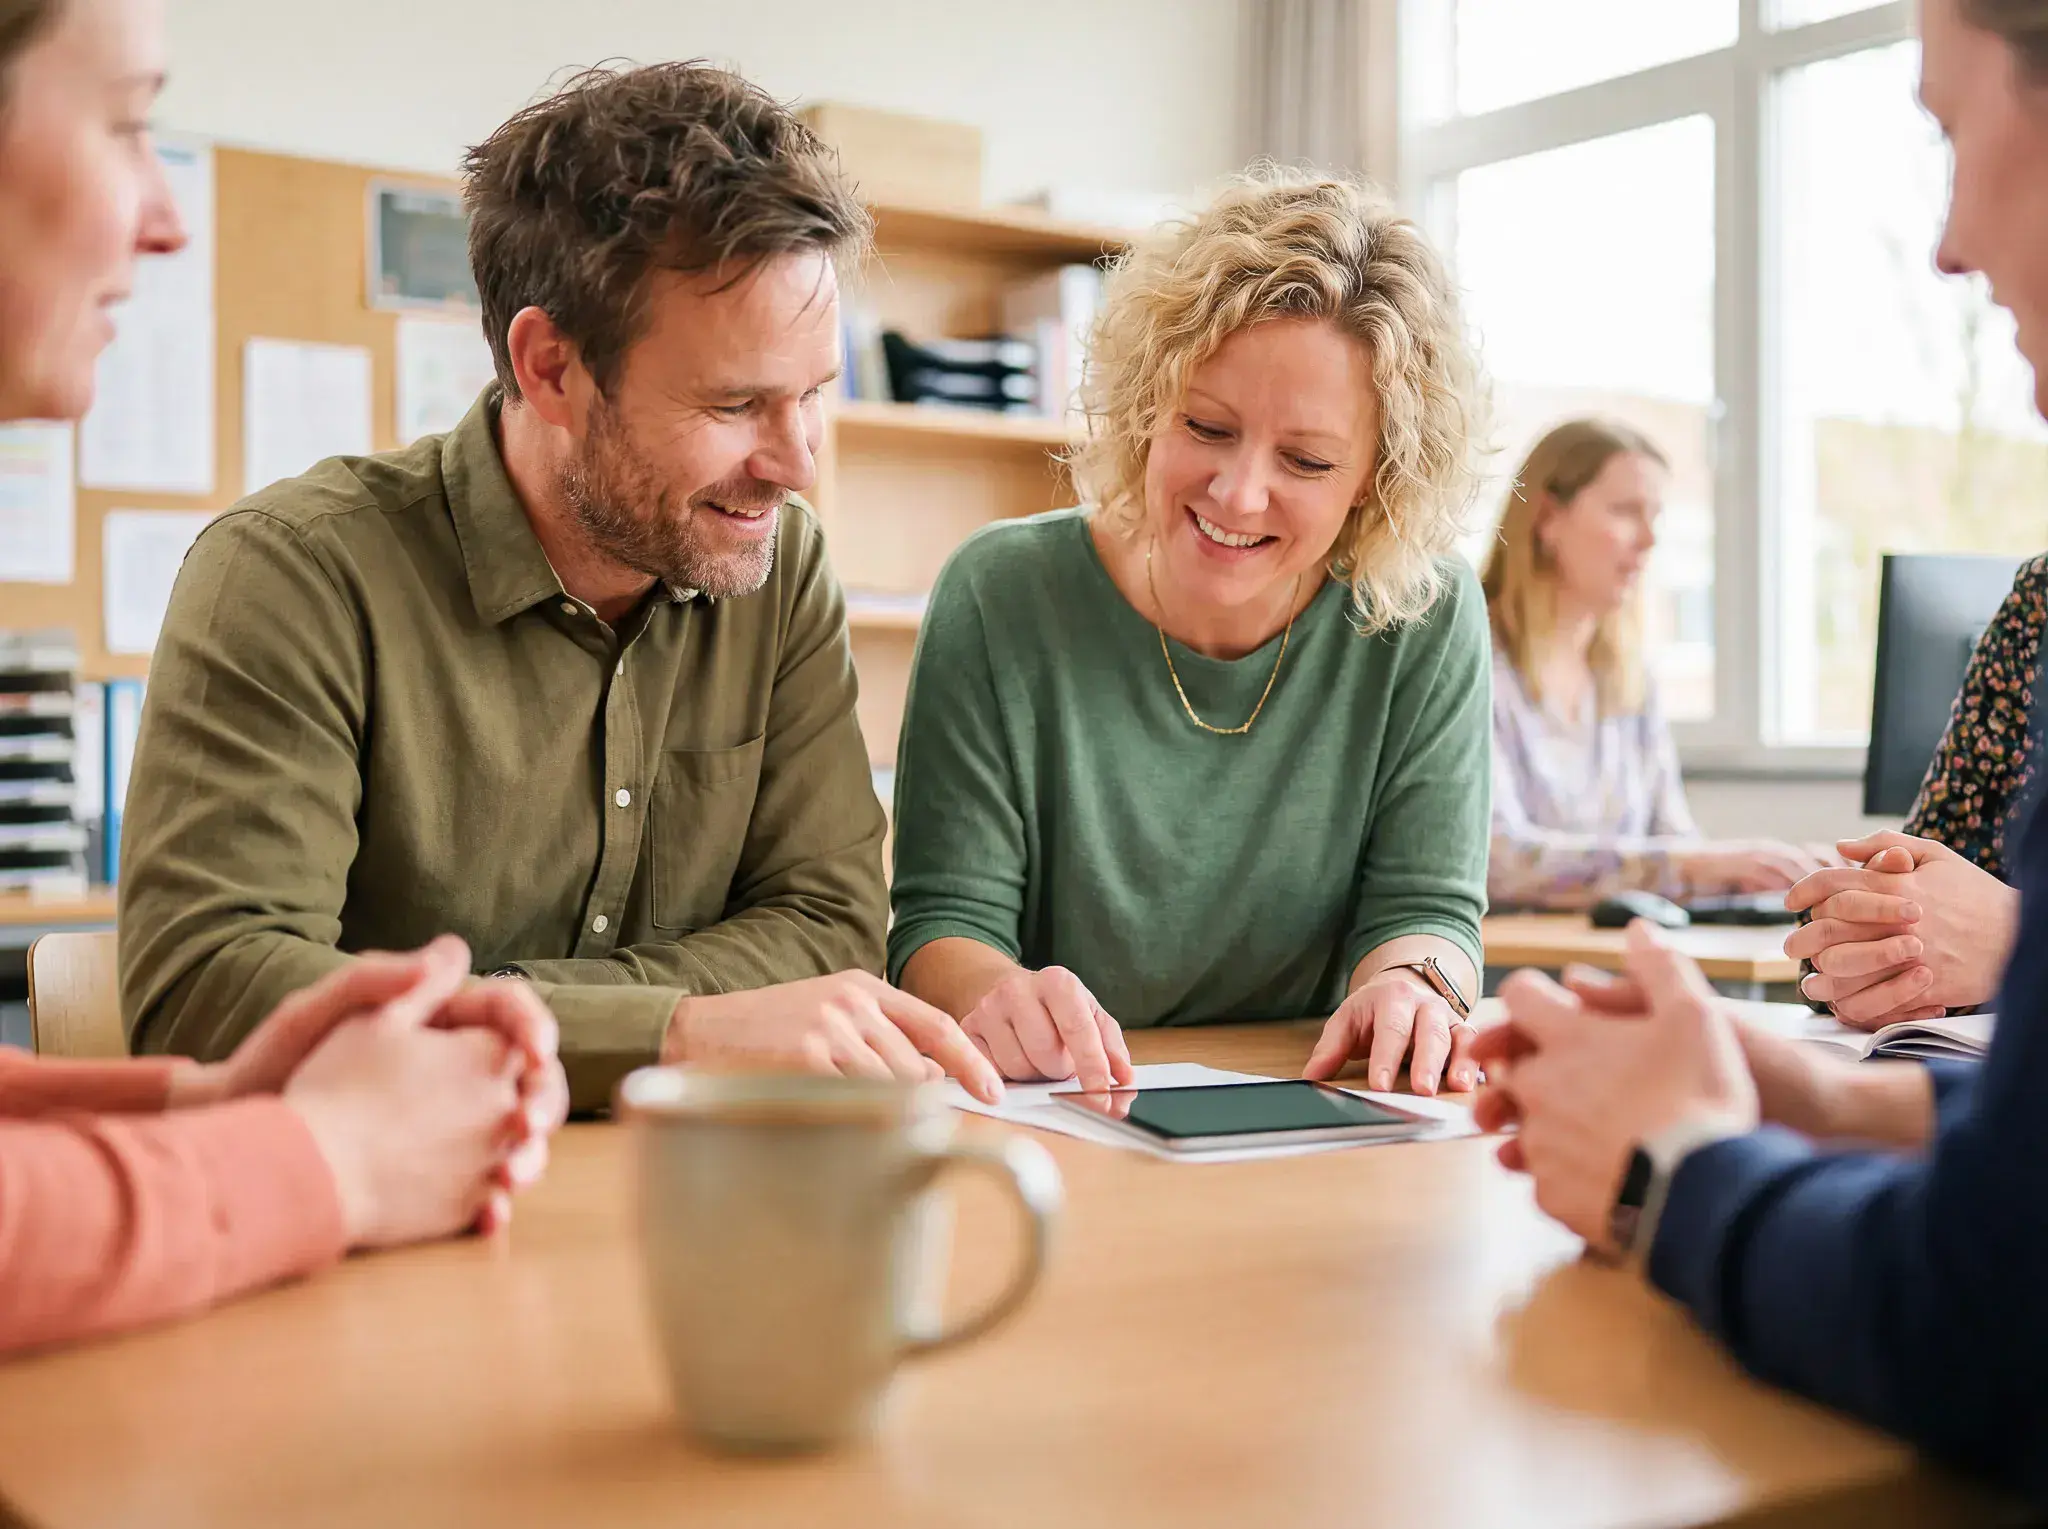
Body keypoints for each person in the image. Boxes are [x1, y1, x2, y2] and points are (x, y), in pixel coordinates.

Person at [113, 61, 1003, 1113]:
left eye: (812, 394)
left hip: (690, 1192)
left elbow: (827, 923)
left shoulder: (779, 565)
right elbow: (214, 987)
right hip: (380, 1213)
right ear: (549, 369)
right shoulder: (293, 573)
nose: (797, 460)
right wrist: (668, 1028)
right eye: (735, 404)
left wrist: (522, 1016)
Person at [1473, 0, 2048, 1496]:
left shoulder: (1627, 668)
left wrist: (1675, 1174)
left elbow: (1990, 1323)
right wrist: (1834, 1098)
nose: (1943, 246)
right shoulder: (1456, 649)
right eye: (1626, 515)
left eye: (1947, 131)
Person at [1, 0, 565, 1358]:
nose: (167, 217)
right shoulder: (295, 564)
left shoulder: (781, 586)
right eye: (129, 123)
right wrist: (325, 1157)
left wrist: (214, 1104)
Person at [890, 169, 1492, 1099]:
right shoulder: (1002, 593)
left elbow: (1426, 908)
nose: (1239, 493)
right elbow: (941, 922)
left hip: (1311, 1110)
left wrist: (1413, 987)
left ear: (1376, 476)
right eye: (1206, 426)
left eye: (1307, 459)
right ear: (1147, 404)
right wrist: (997, 992)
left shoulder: (1426, 613)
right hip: (1066, 1108)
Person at [1483, 420, 1831, 909]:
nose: (1649, 539)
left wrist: (1772, 874)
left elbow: (1675, 837)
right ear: (1546, 517)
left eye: (1655, 516)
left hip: (1621, 955)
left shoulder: (1627, 677)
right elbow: (1499, 862)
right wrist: (1704, 865)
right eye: (1626, 512)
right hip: (1508, 968)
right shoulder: (1472, 661)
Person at [1784, 554, 2046, 1026]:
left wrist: (2019, 938)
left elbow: (1988, 933)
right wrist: (1871, 958)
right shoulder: (2039, 600)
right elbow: (1931, 906)